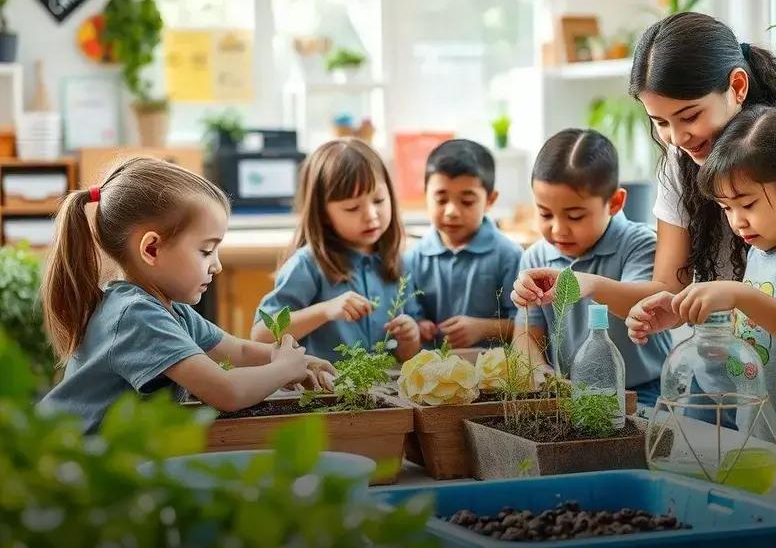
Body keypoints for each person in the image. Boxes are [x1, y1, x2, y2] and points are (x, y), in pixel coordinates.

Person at [514, 12, 776, 399]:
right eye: (660, 122)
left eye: (689, 115)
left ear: (738, 86)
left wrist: (737, 295)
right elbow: (668, 286)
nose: (677, 138)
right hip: (720, 380)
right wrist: (591, 285)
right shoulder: (681, 167)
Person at [38, 158, 333, 434]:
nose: (216, 265)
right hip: (66, 470)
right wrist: (282, 370)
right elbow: (226, 392)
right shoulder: (136, 317)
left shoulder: (170, 310)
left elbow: (239, 352)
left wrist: (296, 360)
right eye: (206, 251)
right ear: (151, 249)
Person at [627, 105, 776, 417]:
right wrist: (678, 311)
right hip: (768, 431)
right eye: (726, 209)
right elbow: (759, 324)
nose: (737, 221)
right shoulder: (766, 244)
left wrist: (741, 295)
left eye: (747, 204)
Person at [511, 129, 671, 407]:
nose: (558, 229)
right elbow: (527, 335)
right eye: (545, 213)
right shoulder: (535, 258)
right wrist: (540, 374)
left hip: (645, 389)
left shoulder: (640, 243)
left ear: (615, 203)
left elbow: (646, 306)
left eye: (575, 215)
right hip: (573, 391)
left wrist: (591, 284)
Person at [252, 138, 421, 363]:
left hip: (387, 392)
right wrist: (325, 311)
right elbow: (261, 335)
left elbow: (407, 356)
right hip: (328, 394)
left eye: (379, 200)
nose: (371, 214)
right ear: (323, 214)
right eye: (352, 208)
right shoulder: (308, 265)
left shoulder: (399, 262)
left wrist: (411, 338)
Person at [406, 139, 523, 349]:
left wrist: (482, 328)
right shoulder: (413, 259)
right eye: (441, 200)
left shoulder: (509, 256)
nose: (451, 212)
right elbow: (412, 314)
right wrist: (420, 325)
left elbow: (525, 324)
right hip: (433, 373)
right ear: (426, 196)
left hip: (491, 374)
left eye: (467, 202)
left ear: (490, 200)